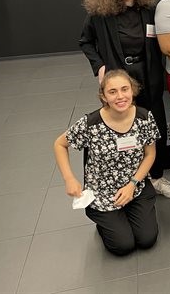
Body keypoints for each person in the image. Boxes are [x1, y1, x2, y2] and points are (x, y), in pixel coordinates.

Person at [78, 0, 170, 199]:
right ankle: (130, 178)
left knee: (153, 125)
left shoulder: (150, 10)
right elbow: (85, 41)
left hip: (149, 74)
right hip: (119, 77)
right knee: (123, 127)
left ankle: (156, 177)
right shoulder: (100, 15)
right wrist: (99, 67)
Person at [53, 70, 159, 256]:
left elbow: (150, 154)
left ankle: (126, 215)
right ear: (103, 96)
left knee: (147, 239)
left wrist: (132, 184)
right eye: (112, 92)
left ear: (132, 91)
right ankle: (107, 222)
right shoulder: (91, 123)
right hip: (102, 192)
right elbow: (60, 144)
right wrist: (69, 178)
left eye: (125, 89)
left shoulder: (144, 117)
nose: (120, 96)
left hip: (135, 185)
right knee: (123, 246)